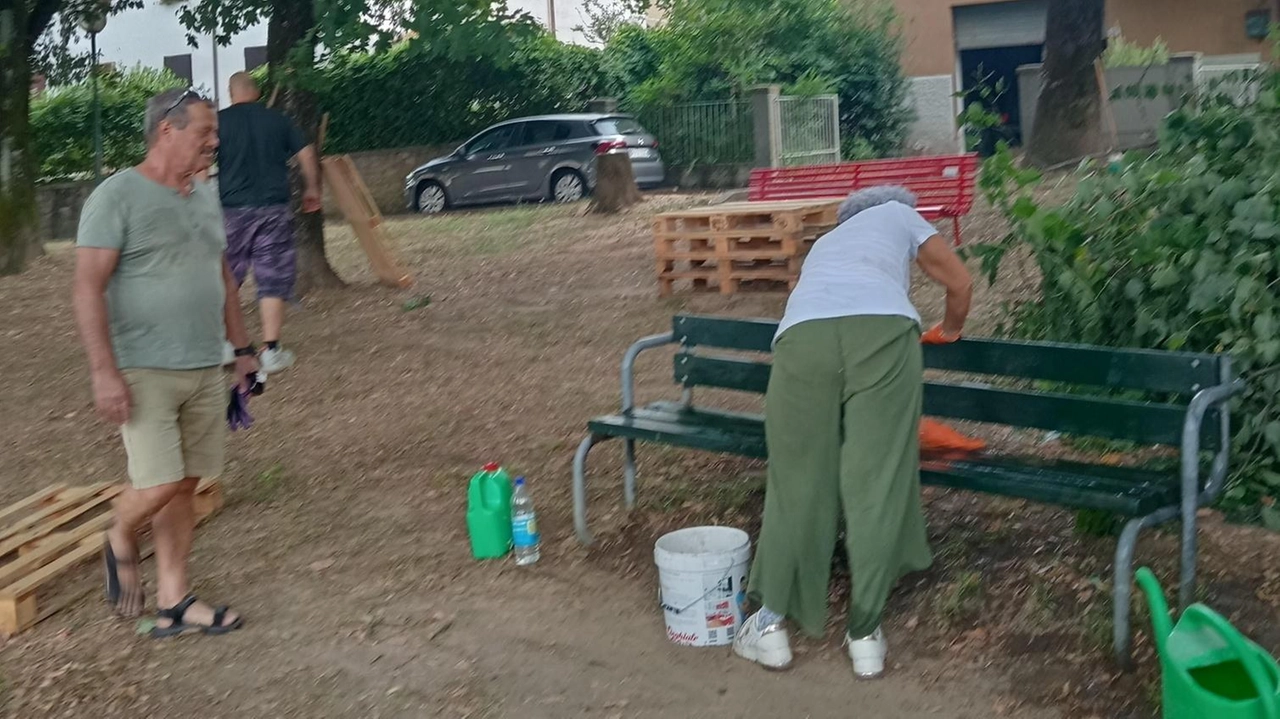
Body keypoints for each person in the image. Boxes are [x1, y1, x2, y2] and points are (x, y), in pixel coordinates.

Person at [732, 186, 974, 678]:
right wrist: (949, 329)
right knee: (875, 480)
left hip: (803, 340)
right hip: (884, 334)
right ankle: (865, 635)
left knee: (797, 480)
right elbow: (959, 281)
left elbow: (817, 297)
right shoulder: (901, 214)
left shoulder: (828, 241)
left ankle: (772, 627)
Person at [73, 88, 258, 637]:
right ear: (167, 131)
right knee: (158, 482)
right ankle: (120, 531)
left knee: (186, 485)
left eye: (214, 133)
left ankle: (174, 601)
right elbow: (87, 287)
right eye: (205, 131)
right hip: (144, 367)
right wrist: (104, 370)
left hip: (204, 365)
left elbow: (222, 275)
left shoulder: (204, 193)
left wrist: (243, 349)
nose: (214, 142)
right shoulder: (116, 196)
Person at [216, 71, 323, 373]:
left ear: (230, 92)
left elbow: (201, 159)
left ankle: (226, 346)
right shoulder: (278, 120)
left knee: (227, 278)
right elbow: (306, 152)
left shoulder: (219, 123)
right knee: (272, 279)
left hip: (231, 212)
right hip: (273, 209)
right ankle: (272, 350)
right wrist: (312, 188)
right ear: (258, 92)